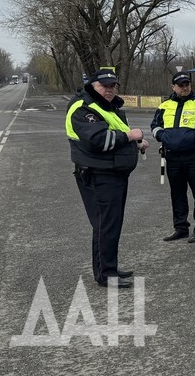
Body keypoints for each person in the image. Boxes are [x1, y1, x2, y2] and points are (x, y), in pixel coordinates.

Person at [67, 69, 148, 288]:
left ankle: (109, 268)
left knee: (109, 224)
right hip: (99, 175)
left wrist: (136, 142)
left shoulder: (107, 107)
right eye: (104, 86)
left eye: (113, 86)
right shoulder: (83, 109)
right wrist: (130, 136)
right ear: (92, 86)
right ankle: (106, 274)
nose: (109, 89)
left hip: (113, 174)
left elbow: (119, 133)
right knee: (106, 225)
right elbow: (99, 140)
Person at [151, 71, 195, 244]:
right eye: (181, 85)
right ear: (173, 87)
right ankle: (180, 228)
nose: (184, 87)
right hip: (172, 158)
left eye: (187, 84)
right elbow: (155, 126)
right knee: (177, 193)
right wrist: (162, 136)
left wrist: (194, 138)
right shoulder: (164, 106)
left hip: (194, 156)